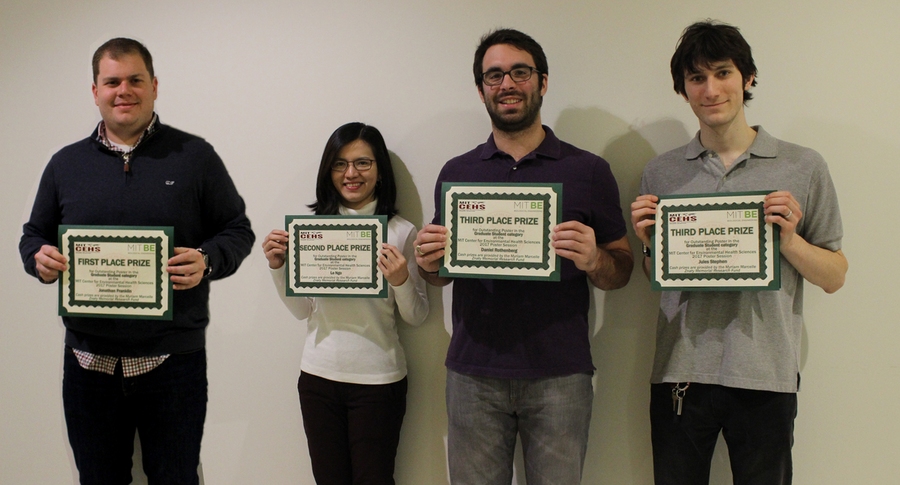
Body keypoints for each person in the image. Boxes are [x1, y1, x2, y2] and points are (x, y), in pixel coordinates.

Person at [18, 38, 254, 484]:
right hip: (88, 365)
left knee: (176, 479)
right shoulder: (64, 164)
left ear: (154, 86)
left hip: (173, 364)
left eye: (135, 80)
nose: (123, 90)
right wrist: (38, 257)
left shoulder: (195, 157)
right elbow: (33, 235)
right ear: (95, 91)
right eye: (112, 81)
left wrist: (207, 258)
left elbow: (236, 230)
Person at [630, 21, 848, 484]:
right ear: (683, 90)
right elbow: (654, 279)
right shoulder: (661, 172)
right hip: (680, 372)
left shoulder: (802, 165)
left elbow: (834, 274)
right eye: (696, 78)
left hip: (766, 376)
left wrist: (789, 240)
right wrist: (651, 245)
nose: (710, 89)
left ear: (747, 78)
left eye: (722, 73)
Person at [414, 29, 633, 484]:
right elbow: (439, 276)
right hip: (473, 374)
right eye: (494, 75)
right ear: (481, 89)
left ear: (543, 82)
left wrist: (595, 259)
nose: (507, 84)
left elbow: (621, 269)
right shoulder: (457, 172)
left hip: (561, 376)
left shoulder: (589, 170)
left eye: (519, 71)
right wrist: (428, 263)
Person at [262, 122, 429, 485]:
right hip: (318, 378)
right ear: (329, 171)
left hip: (380, 381)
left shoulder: (401, 231)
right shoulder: (310, 230)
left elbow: (417, 317)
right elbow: (303, 310)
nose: (351, 173)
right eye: (340, 164)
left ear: (380, 171)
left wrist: (400, 280)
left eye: (363, 163)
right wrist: (279, 268)